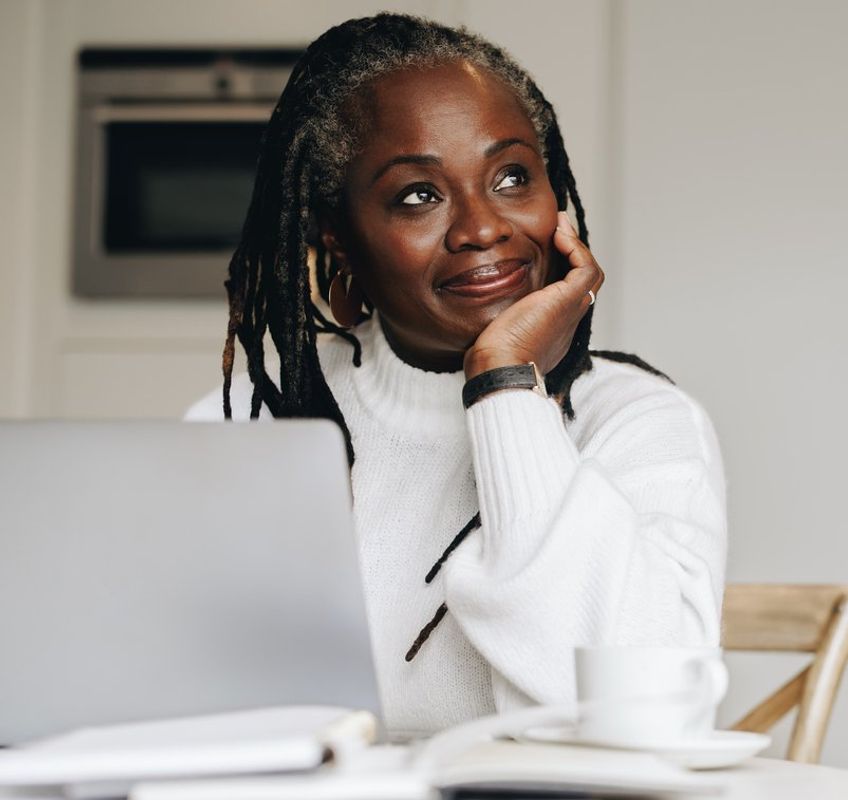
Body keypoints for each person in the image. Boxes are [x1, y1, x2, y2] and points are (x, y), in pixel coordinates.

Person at [187, 12, 727, 739]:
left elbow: (647, 719)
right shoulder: (251, 418)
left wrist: (505, 386)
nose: (482, 228)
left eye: (511, 176)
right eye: (419, 195)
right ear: (335, 235)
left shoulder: (637, 421)